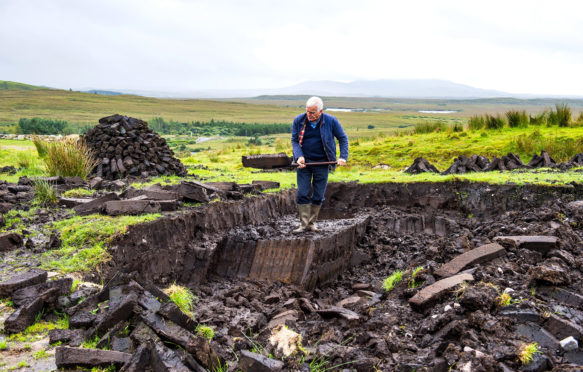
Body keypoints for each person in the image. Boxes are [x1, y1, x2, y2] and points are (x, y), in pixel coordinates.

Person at [291, 96, 349, 233]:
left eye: (312, 113)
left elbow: (343, 139)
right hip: (304, 164)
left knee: (318, 195)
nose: (309, 115)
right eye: (307, 111)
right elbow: (294, 141)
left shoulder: (331, 121)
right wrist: (299, 156)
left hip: (323, 162)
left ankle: (311, 224)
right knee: (302, 193)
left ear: (320, 111)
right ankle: (303, 225)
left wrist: (343, 157)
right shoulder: (299, 120)